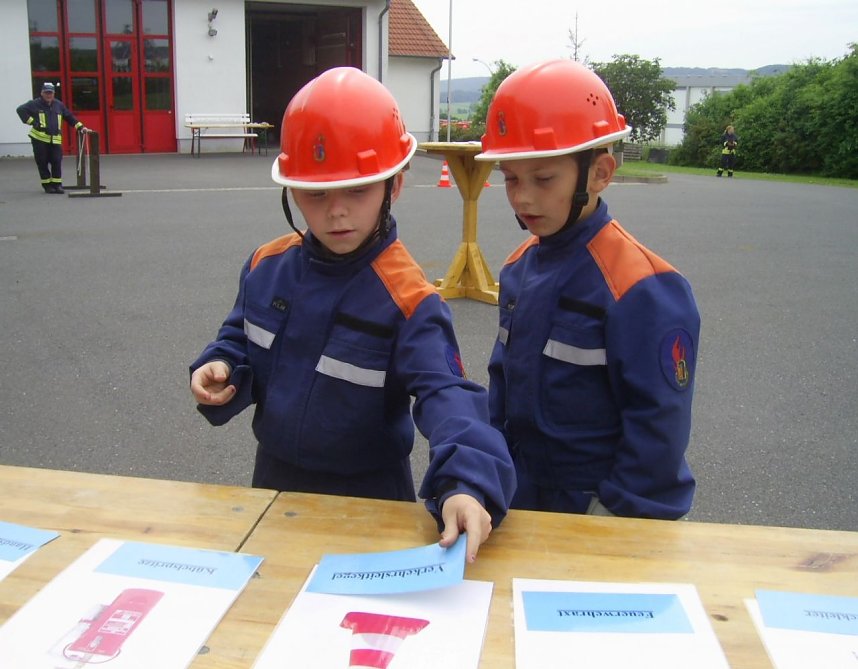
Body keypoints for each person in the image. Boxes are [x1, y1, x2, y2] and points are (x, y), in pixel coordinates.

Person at [189, 67, 515, 561]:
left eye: (357, 190)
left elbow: (448, 396)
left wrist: (466, 483)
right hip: (274, 485)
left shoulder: (409, 298)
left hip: (370, 500)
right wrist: (221, 366)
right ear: (291, 189)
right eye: (316, 193)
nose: (336, 211)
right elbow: (240, 337)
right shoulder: (266, 266)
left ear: (394, 185)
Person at [474, 60, 700, 520]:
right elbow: (501, 385)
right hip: (522, 493)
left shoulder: (642, 286)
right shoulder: (519, 268)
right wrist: (486, 470)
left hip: (597, 506)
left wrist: (614, 516)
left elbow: (658, 427)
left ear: (599, 173)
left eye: (543, 179)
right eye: (511, 178)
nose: (522, 198)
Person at [16, 82, 89, 194]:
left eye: (50, 93)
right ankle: (47, 186)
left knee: (56, 162)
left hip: (55, 140)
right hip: (39, 139)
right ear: (42, 93)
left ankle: (57, 185)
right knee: (42, 162)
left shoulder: (59, 105)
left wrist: (81, 127)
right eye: (46, 92)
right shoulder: (34, 104)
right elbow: (20, 110)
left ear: (54, 93)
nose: (48, 95)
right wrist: (32, 122)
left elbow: (69, 117)